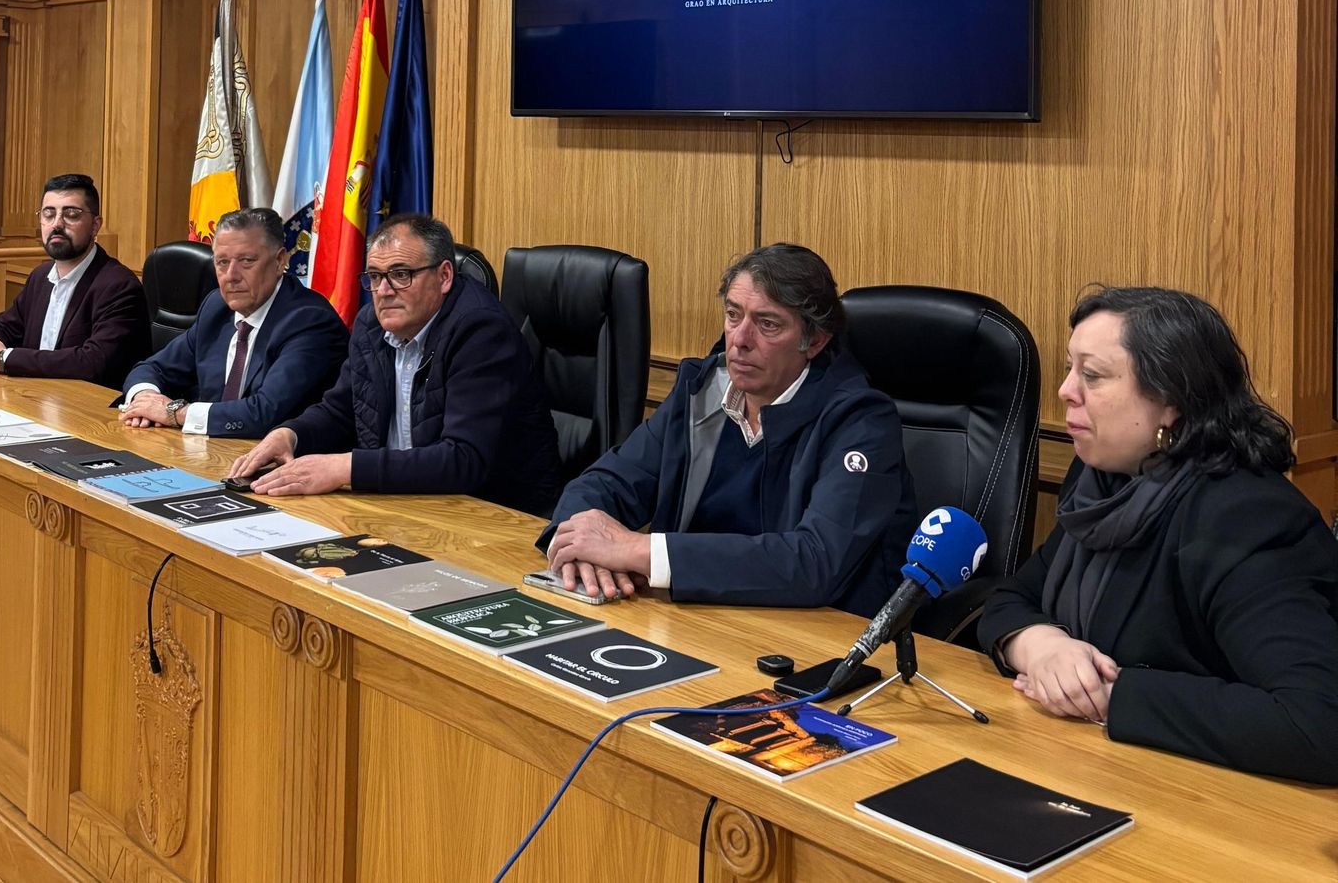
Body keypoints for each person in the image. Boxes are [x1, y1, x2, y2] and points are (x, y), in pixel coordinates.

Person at [978, 286, 1338, 784]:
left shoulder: (1246, 517)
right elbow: (1010, 597)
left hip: (1220, 802)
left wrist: (1112, 695)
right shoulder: (1105, 482)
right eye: (1069, 368)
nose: (1064, 390)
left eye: (1093, 375)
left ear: (1171, 401)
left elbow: (1315, 724)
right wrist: (1041, 646)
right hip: (1099, 770)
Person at [537, 244, 915, 616]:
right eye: (734, 315)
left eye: (768, 324)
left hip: (811, 635)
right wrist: (577, 548)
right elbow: (605, 482)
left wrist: (638, 551)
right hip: (692, 616)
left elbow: (814, 563)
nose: (740, 339)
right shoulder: (702, 390)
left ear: (814, 341)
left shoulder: (861, 422)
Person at [226, 213, 562, 515]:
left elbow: (463, 460)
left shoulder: (480, 331)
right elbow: (341, 410)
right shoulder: (372, 324)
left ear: (444, 276)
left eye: (400, 274)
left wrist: (346, 468)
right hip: (401, 503)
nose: (384, 290)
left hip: (492, 514)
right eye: (374, 276)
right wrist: (290, 434)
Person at [119, 207, 347, 438]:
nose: (231, 275)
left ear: (279, 261)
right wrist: (144, 399)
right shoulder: (216, 307)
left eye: (246, 261)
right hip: (210, 451)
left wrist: (174, 413)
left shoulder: (310, 321)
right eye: (222, 262)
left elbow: (265, 413)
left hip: (279, 463)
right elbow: (152, 368)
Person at [0, 174, 149, 388]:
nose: (57, 224)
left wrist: (5, 358)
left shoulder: (118, 285)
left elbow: (94, 362)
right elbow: (3, 326)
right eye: (49, 214)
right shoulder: (40, 277)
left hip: (87, 409)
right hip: (36, 396)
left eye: (71, 214)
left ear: (95, 225)